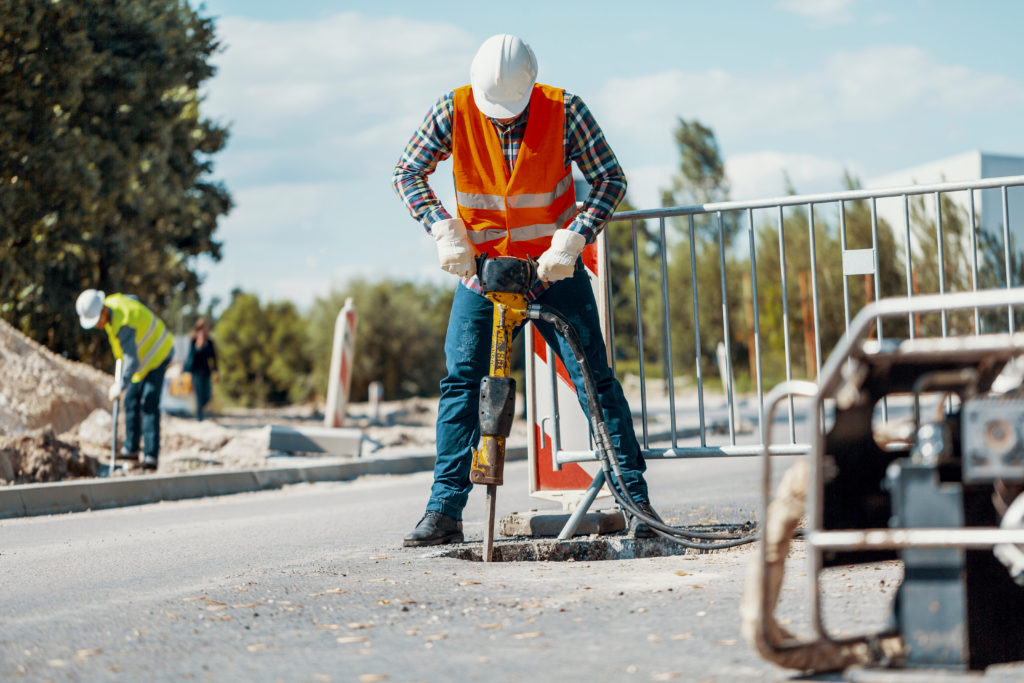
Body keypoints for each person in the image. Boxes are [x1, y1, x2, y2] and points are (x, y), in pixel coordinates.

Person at [392, 34, 660, 546]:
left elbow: (610, 179)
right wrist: (441, 227)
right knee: (463, 384)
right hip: (484, 274)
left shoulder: (566, 110)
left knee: (594, 382)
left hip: (552, 271)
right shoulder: (455, 108)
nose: (501, 119)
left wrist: (575, 237)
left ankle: (635, 502)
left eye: (510, 111)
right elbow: (407, 171)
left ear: (531, 87)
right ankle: (444, 511)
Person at [76, 289, 173, 470]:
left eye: (96, 320)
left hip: (158, 353)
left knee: (149, 402)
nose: (96, 325)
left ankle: (151, 457)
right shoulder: (113, 304)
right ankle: (131, 449)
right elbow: (134, 299)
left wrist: (121, 383)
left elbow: (132, 359)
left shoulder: (123, 323)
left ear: (103, 311)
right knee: (130, 400)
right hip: (143, 362)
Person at [185, 317, 218, 421]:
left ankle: (200, 413)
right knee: (198, 395)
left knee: (207, 395)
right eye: (203, 328)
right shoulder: (193, 341)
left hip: (206, 372)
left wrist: (216, 371)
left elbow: (214, 357)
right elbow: (191, 356)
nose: (205, 330)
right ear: (198, 329)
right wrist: (198, 346)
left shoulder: (210, 342)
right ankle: (199, 418)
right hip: (196, 372)